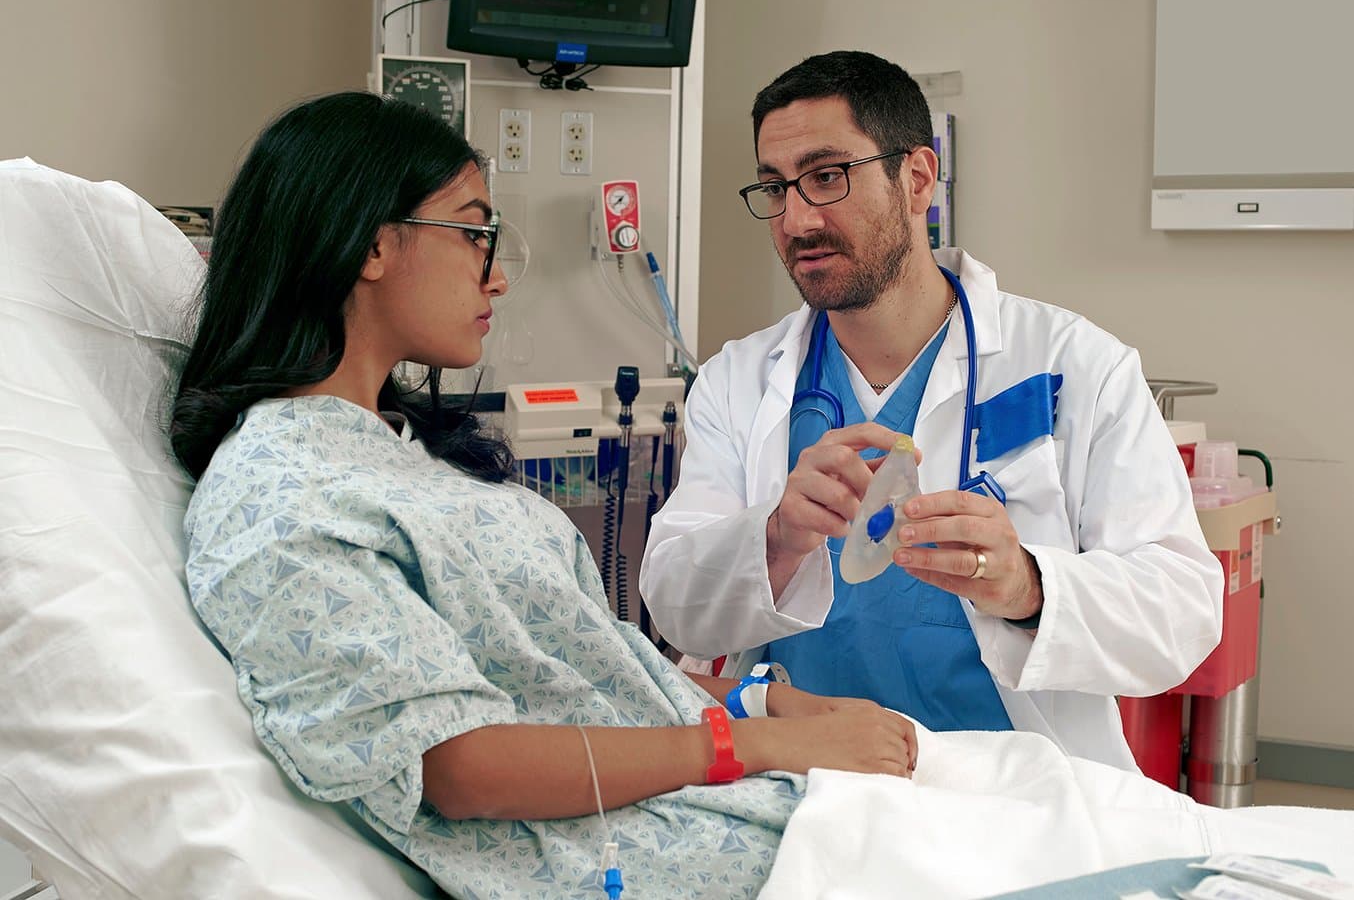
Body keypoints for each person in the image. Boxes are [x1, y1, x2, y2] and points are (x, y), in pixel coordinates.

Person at [169, 91, 916, 900]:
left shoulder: (397, 453)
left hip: (718, 796)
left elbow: (587, 669)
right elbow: (459, 764)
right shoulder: (280, 497)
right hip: (658, 850)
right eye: (475, 232)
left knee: (1031, 794)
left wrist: (771, 703)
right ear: (372, 244)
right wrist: (751, 744)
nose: (496, 276)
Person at [639, 51, 1224, 770]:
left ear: (916, 178)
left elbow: (1184, 612)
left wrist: (1028, 584)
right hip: (801, 776)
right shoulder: (738, 381)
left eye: (826, 177)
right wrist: (776, 536)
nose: (795, 219)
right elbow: (670, 600)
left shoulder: (1077, 363)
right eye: (774, 187)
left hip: (1010, 787)